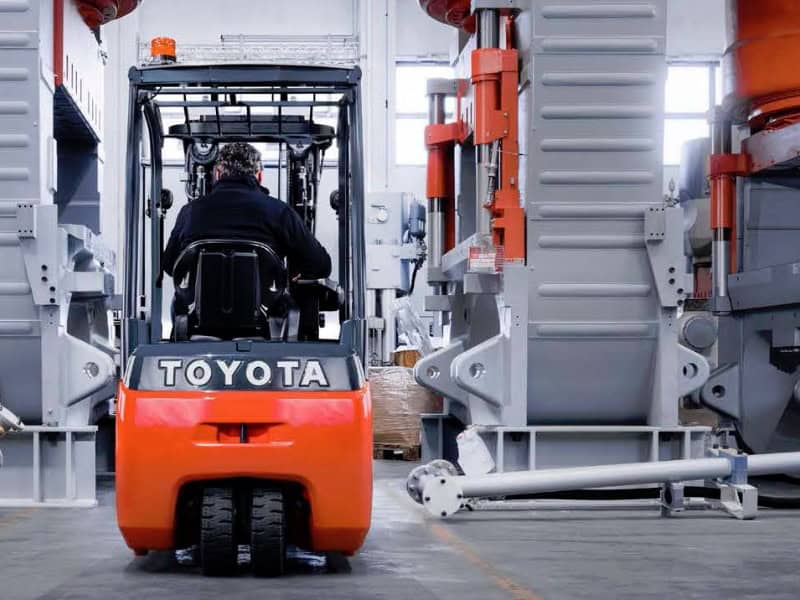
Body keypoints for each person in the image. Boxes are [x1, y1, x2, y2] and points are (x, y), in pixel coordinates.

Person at [162, 142, 332, 284]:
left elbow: (170, 265)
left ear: (218, 174)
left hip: (199, 318)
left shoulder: (190, 212)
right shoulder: (280, 212)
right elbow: (321, 265)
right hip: (265, 318)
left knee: (179, 306)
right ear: (259, 176)